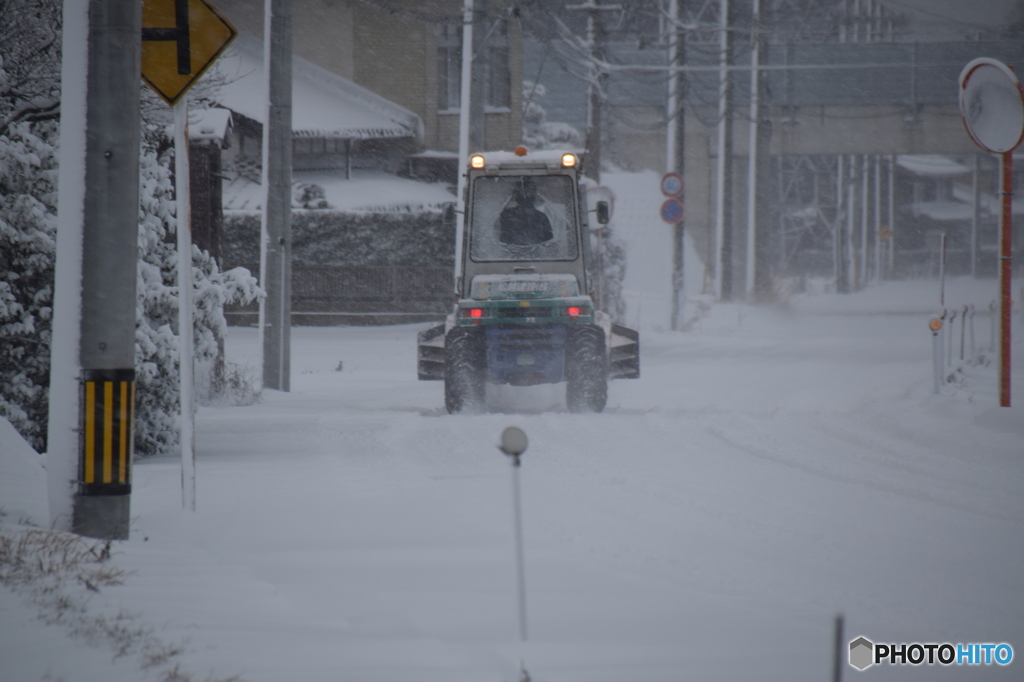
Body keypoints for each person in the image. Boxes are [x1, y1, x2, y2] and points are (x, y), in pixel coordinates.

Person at [499, 178, 553, 245]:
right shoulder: (507, 215)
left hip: (536, 254)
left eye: (529, 194)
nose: (526, 197)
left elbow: (548, 242)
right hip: (511, 253)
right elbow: (502, 240)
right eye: (522, 194)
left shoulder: (541, 217)